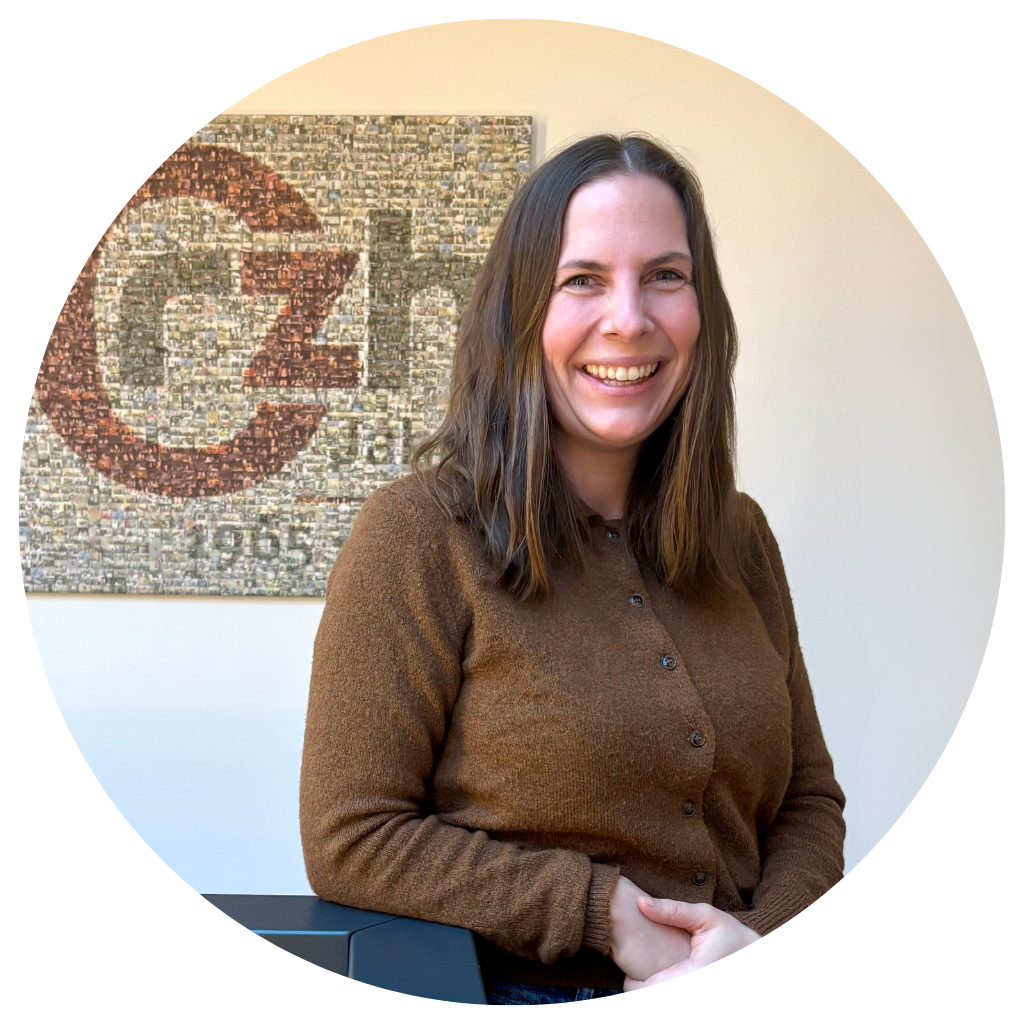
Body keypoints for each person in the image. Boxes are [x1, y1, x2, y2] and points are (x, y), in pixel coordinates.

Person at [299, 134, 846, 1005]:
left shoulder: (742, 538)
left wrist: (752, 938)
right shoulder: (416, 536)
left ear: (704, 309)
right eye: (581, 279)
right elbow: (352, 835)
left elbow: (811, 803)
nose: (629, 318)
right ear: (520, 313)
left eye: (666, 275)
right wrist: (604, 915)